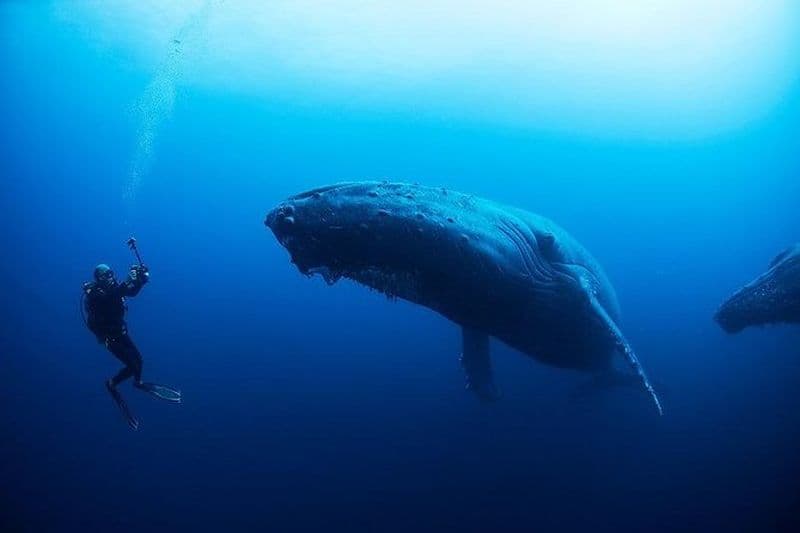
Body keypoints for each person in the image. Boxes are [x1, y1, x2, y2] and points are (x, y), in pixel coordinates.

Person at [83, 262, 181, 430]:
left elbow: (130, 292)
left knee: (139, 362)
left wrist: (141, 280)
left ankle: (138, 382)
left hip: (121, 332)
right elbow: (110, 298)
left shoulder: (114, 289)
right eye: (106, 275)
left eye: (111, 273)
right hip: (110, 338)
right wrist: (127, 281)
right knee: (131, 364)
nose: (111, 276)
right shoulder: (95, 295)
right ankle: (112, 383)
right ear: (99, 279)